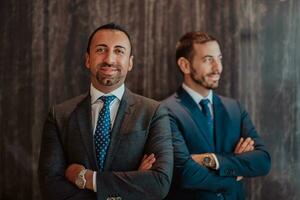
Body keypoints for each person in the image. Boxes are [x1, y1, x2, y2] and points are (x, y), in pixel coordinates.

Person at [38, 23, 173, 200]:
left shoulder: (154, 112)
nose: (109, 59)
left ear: (130, 62)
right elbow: (50, 186)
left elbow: (159, 183)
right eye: (101, 50)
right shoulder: (59, 115)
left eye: (119, 51)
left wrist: (86, 178)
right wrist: (131, 186)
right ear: (88, 59)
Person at [162, 31, 271, 200]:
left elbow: (263, 161)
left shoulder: (234, 108)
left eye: (219, 58)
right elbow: (185, 173)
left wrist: (211, 160)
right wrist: (235, 173)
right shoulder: (165, 111)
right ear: (185, 65)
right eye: (208, 60)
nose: (217, 68)